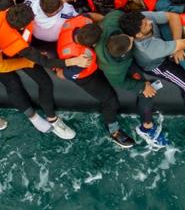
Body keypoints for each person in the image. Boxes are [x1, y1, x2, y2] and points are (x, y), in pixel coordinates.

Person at [0, 0, 75, 139]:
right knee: (14, 81)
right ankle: (35, 118)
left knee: (41, 81)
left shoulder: (1, 7)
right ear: (21, 27)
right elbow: (37, 62)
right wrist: (70, 61)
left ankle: (51, 118)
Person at [121, 9, 185, 129]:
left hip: (164, 46)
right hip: (158, 65)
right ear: (138, 35)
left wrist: (177, 47)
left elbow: (173, 16)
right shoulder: (149, 48)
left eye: (146, 20)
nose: (150, 22)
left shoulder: (141, 17)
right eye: (146, 24)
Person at [55, 16, 136, 148]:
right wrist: (59, 71)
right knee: (109, 100)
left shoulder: (75, 22)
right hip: (86, 76)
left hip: (69, 49)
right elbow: (64, 75)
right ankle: (114, 131)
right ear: (92, 46)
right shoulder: (83, 58)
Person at [95, 9, 169, 147]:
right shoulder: (114, 69)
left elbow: (115, 13)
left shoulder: (112, 24)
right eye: (130, 41)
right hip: (126, 66)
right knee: (148, 92)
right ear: (125, 52)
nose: (132, 38)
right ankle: (146, 127)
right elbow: (119, 83)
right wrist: (141, 86)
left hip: (125, 58)